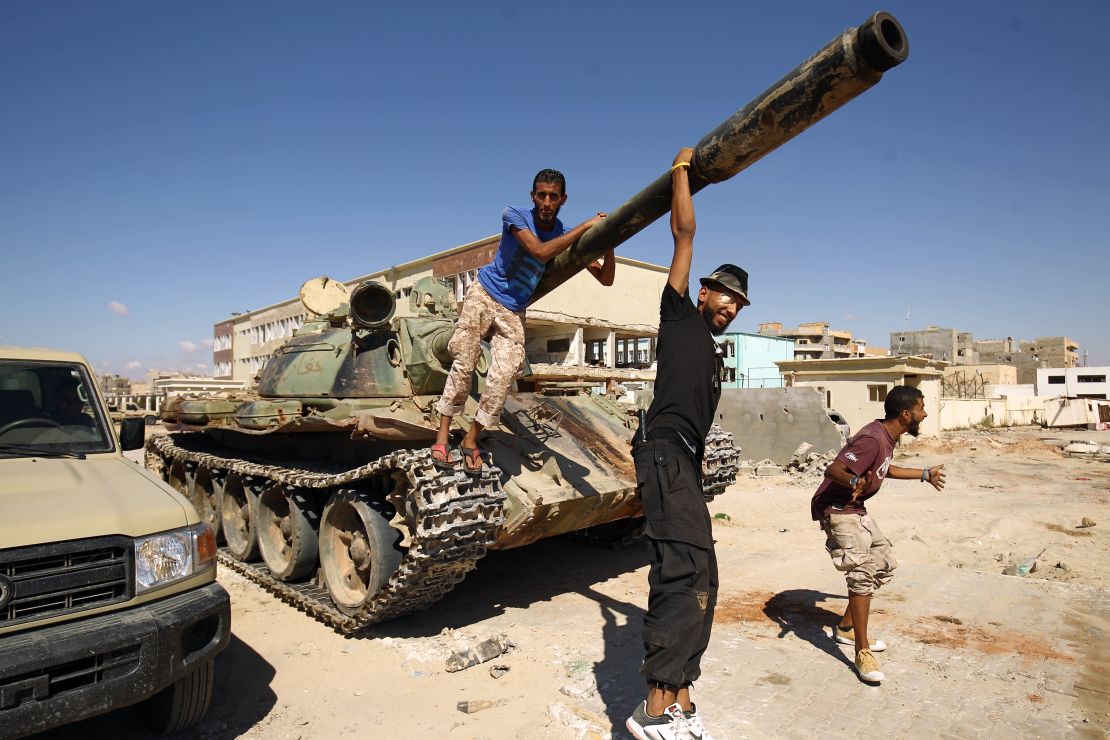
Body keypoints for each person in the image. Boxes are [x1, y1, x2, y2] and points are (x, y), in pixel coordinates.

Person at [625, 148, 749, 740]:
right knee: (679, 568)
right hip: (663, 451)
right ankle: (653, 706)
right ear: (702, 291)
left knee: (704, 574)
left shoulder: (715, 352)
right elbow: (684, 232)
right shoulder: (678, 317)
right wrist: (682, 172)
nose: (730, 305)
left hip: (685, 465)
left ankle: (682, 696)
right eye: (724, 295)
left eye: (739, 303)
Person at [431, 169, 611, 474]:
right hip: (485, 294)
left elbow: (605, 278)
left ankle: (470, 441)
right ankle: (441, 439)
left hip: (514, 309)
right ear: (533, 196)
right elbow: (540, 253)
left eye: (554, 196)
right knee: (465, 361)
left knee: (503, 377)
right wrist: (586, 226)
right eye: (541, 194)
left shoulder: (564, 234)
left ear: (563, 199)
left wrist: (610, 240)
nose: (547, 201)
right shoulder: (514, 215)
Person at [810, 384, 946, 683]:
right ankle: (861, 651)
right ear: (906, 414)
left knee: (883, 566)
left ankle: (846, 628)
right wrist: (855, 480)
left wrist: (923, 474)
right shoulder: (872, 438)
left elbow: (885, 469)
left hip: (855, 509)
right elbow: (833, 470)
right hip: (838, 510)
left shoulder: (887, 437)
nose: (925, 414)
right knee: (861, 573)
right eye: (922, 408)